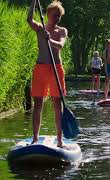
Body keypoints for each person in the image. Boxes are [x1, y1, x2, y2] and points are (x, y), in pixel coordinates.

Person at [27, 0, 68, 147]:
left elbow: (60, 45)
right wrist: (33, 3)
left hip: (56, 69)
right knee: (38, 103)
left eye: (59, 16)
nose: (57, 18)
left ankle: (59, 139)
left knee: (58, 104)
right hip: (40, 68)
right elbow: (29, 19)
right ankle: (35, 138)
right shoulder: (39, 28)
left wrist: (49, 39)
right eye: (55, 15)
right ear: (48, 14)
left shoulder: (62, 31)